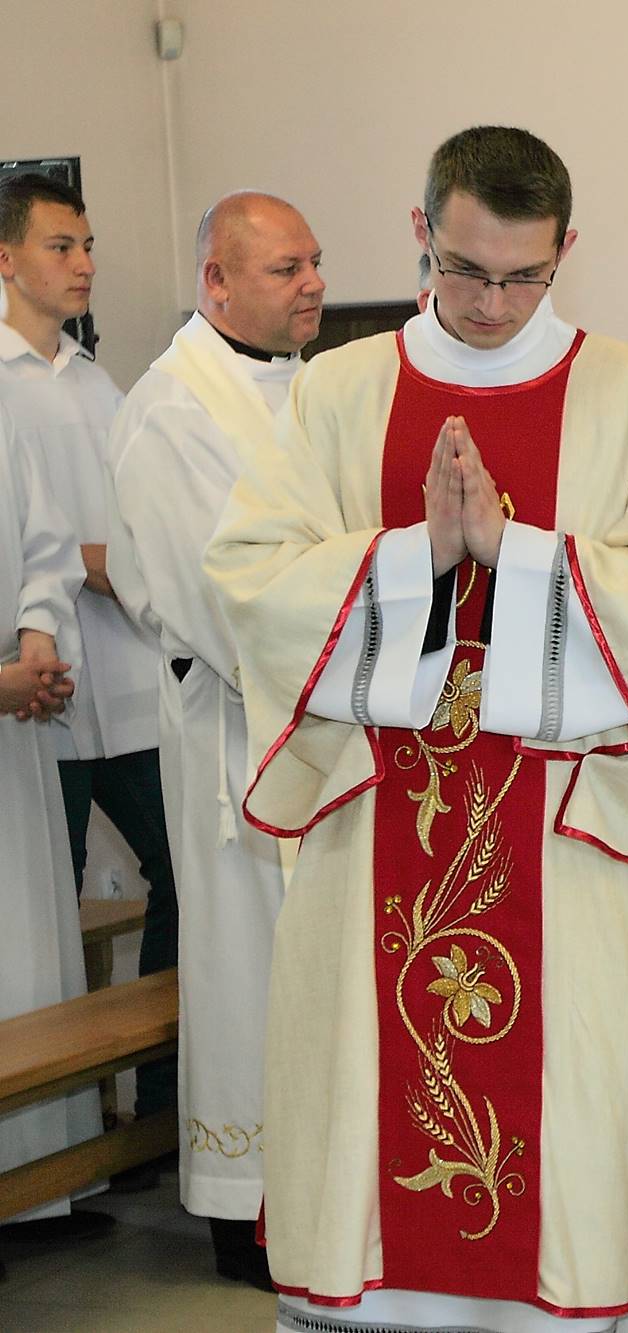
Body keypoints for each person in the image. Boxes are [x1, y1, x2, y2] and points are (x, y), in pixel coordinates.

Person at [205, 126, 628, 1333]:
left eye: (524, 276)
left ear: (566, 251)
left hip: (569, 845)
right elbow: (249, 576)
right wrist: (419, 558)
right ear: (420, 233)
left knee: (574, 1137)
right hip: (379, 825)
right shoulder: (339, 393)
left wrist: (513, 553)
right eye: (465, 270)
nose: (493, 304)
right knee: (370, 1120)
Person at [105, 190, 326, 1289]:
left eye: (315, 262)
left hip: (321, 719)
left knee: (313, 966)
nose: (313, 284)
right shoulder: (171, 408)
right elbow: (211, 595)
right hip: (239, 728)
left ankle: (322, 1186)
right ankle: (247, 1206)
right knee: (247, 966)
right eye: (286, 268)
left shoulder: (315, 384)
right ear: (217, 281)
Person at [0, 171, 178, 1128]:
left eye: (88, 245)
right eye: (60, 246)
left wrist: (128, 561)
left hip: (128, 682)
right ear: (6, 258)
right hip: (45, 693)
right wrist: (94, 564)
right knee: (45, 910)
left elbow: (129, 519)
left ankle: (163, 1108)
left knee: (181, 872)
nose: (84, 264)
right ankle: (52, 1138)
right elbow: (46, 541)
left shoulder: (96, 379)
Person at [0, 400, 92, 1259]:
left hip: (12, 724)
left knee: (25, 946)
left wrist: (34, 640)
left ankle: (35, 1183)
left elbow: (45, 541)